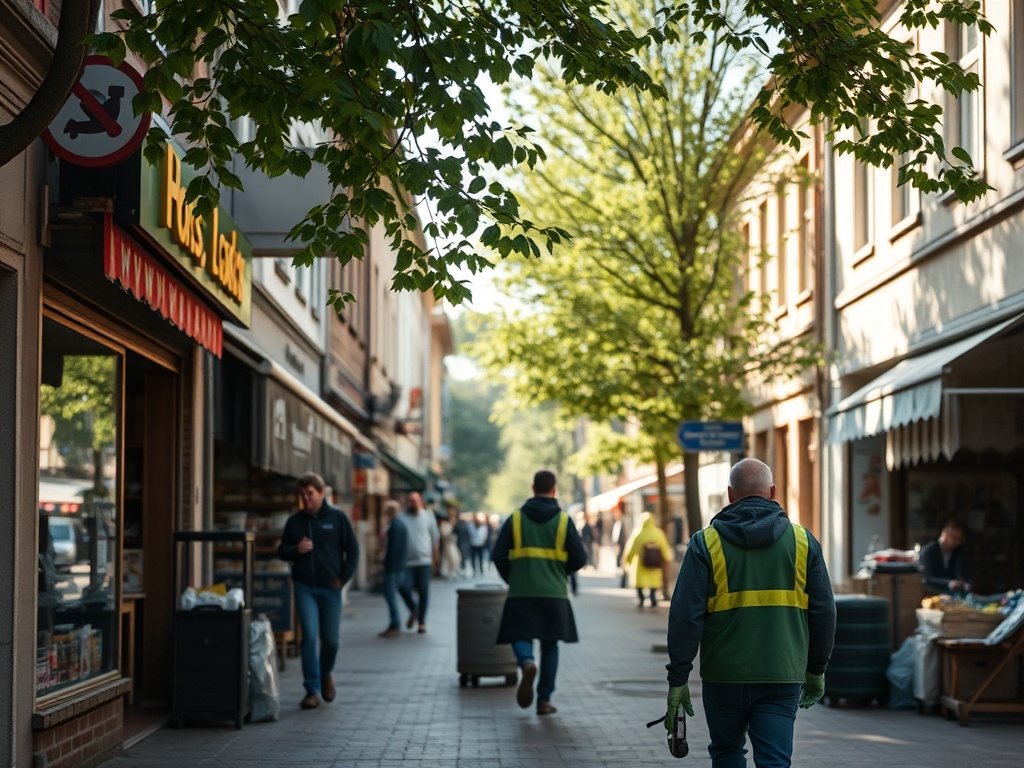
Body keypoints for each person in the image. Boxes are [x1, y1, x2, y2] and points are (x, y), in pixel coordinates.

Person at [664, 458, 836, 767]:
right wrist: (817, 669)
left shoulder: (706, 543)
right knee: (774, 762)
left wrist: (679, 676)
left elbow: (685, 616)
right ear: (772, 491)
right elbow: (824, 611)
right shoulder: (802, 542)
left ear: (730, 494)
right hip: (782, 672)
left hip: (724, 675)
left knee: (727, 752)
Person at [491, 470, 587, 716]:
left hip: (521, 591)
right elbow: (580, 558)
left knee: (518, 633)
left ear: (532, 488)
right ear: (554, 490)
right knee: (550, 644)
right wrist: (559, 572)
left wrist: (513, 577)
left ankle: (526, 662)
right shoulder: (564, 521)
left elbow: (498, 554)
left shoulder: (515, 519)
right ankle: (544, 700)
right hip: (554, 593)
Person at [278, 472, 359, 710]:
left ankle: (325, 674)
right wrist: (296, 549)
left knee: (331, 641)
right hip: (304, 588)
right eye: (302, 495)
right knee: (309, 637)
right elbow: (282, 551)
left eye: (310, 494)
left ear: (322, 493)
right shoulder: (295, 522)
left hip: (330, 588)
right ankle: (312, 689)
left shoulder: (337, 518)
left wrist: (342, 579)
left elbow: (353, 551)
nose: (306, 499)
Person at [397, 491, 440, 633]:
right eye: (410, 500)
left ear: (420, 502)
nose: (413, 503)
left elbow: (435, 539)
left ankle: (422, 622)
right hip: (406, 562)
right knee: (403, 587)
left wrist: (436, 558)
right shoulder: (402, 518)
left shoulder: (428, 517)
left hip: (424, 561)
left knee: (423, 591)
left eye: (415, 500)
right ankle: (414, 610)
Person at [623, 511, 672, 608]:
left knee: (639, 583)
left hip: (640, 564)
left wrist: (628, 560)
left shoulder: (638, 533)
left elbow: (632, 549)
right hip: (655, 564)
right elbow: (664, 547)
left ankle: (641, 598)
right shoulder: (658, 533)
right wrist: (667, 558)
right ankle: (652, 596)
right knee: (653, 582)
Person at [378, 500, 407, 638]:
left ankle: (395, 624)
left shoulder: (395, 526)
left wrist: (386, 564)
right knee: (393, 595)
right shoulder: (400, 525)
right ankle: (411, 612)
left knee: (390, 596)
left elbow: (392, 549)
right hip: (399, 566)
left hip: (393, 567)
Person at [920, 519, 972, 595]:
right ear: (944, 534)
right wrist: (949, 583)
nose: (956, 541)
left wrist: (966, 584)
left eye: (958, 539)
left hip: (954, 595)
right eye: (953, 537)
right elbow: (926, 578)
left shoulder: (958, 552)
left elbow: (965, 574)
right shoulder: (929, 550)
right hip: (932, 594)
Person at [612, 503, 632, 587]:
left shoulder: (621, 521)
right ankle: (624, 582)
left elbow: (617, 537)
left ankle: (623, 583)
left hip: (623, 545)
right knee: (625, 565)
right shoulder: (627, 520)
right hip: (627, 544)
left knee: (624, 565)